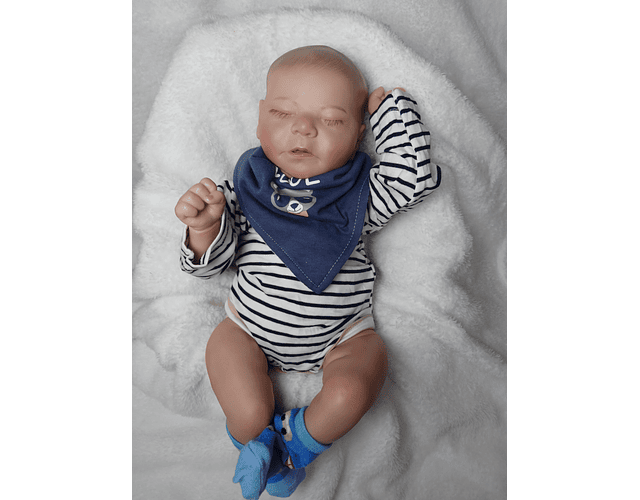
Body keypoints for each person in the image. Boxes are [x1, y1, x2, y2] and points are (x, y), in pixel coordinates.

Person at [174, 45, 441, 499]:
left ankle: (295, 446)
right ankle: (257, 443)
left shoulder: (359, 195)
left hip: (343, 337)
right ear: (260, 118)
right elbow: (210, 268)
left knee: (351, 390)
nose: (303, 128)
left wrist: (391, 112)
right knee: (240, 391)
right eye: (282, 113)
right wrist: (203, 228)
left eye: (332, 120)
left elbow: (413, 177)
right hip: (248, 330)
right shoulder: (243, 191)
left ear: (358, 135)